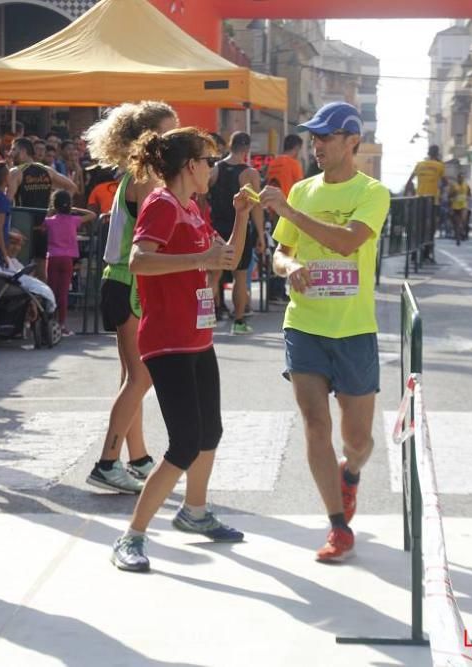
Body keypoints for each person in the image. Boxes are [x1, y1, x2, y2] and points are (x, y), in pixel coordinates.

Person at [110, 127, 250, 572]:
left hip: (197, 335)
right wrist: (197, 261)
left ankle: (195, 512)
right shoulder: (161, 204)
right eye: (209, 160)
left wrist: (242, 216)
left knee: (210, 433)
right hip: (167, 339)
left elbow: (226, 258)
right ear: (191, 165)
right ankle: (131, 536)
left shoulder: (193, 208)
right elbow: (139, 261)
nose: (213, 168)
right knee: (186, 441)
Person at [266, 101, 391, 563]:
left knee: (356, 441)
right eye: (314, 137)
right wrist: (291, 265)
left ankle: (351, 474)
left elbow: (345, 243)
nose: (317, 145)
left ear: (352, 141)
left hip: (354, 329)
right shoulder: (301, 189)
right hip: (305, 324)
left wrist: (292, 214)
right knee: (315, 425)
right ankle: (338, 526)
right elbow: (280, 253)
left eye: (326, 137)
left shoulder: (372, 192)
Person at [84, 101, 176, 494]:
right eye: (169, 132)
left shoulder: (139, 175)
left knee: (132, 378)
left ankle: (137, 457)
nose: (175, 139)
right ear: (150, 138)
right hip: (128, 283)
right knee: (141, 377)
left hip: (122, 282)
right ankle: (107, 462)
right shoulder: (147, 178)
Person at [207, 131, 265, 334]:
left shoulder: (213, 169)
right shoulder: (250, 173)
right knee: (240, 276)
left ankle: (206, 317)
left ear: (230, 146)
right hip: (239, 229)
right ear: (247, 149)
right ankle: (239, 321)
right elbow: (256, 207)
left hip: (216, 230)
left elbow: (200, 199)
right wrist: (261, 234)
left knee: (214, 275)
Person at [8, 137, 76, 282]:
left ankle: (28, 304)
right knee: (41, 271)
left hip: (23, 229)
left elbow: (8, 201)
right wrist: (56, 209)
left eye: (13, 149)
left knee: (20, 269)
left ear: (23, 151)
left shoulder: (16, 172)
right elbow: (71, 187)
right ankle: (42, 303)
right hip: (43, 227)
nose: (10, 153)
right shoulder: (47, 170)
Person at [44, 190, 94, 336]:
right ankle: (62, 324)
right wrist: (75, 209)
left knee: (51, 291)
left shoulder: (50, 221)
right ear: (69, 205)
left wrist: (50, 211)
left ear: (54, 205)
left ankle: (50, 321)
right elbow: (92, 215)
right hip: (68, 260)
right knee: (64, 293)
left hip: (52, 258)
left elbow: (42, 225)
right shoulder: (74, 220)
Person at [450, 172, 470, 244]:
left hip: (463, 205)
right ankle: (457, 237)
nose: (461, 179)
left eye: (462, 177)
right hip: (455, 205)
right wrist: (453, 196)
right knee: (457, 222)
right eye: (459, 177)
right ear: (457, 178)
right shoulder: (454, 186)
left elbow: (469, 194)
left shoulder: (466, 185)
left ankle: (462, 231)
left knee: (463, 220)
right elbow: (450, 195)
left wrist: (467, 198)